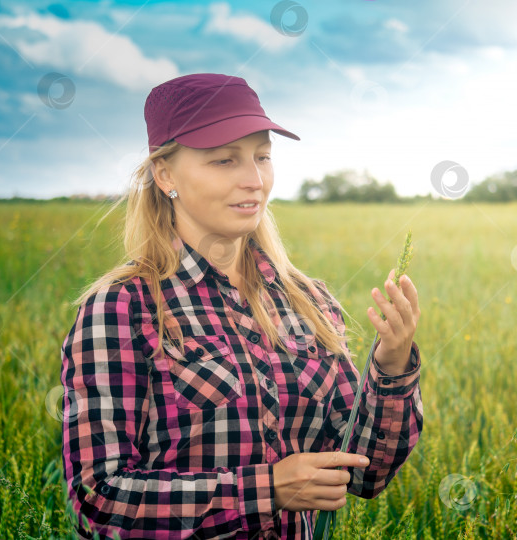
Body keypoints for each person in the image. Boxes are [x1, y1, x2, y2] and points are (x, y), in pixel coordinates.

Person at [59, 73, 423, 539]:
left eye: (262, 157)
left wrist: (391, 366)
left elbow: (363, 472)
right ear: (165, 173)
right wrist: (267, 490)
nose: (254, 180)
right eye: (224, 160)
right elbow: (99, 500)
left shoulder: (306, 300)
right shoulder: (121, 309)